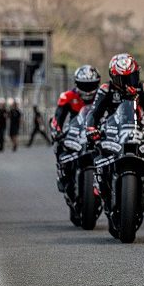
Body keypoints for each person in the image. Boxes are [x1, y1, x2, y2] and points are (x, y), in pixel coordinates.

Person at [85, 53, 144, 146]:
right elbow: (94, 112)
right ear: (113, 77)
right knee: (90, 146)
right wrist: (91, 127)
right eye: (123, 79)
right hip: (111, 132)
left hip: (140, 132)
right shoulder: (106, 89)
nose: (128, 83)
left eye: (132, 78)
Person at [50, 65, 101, 193]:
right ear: (77, 83)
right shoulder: (67, 96)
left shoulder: (103, 95)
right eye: (84, 85)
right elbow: (58, 116)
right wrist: (56, 130)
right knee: (60, 144)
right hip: (74, 129)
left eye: (91, 85)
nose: (87, 89)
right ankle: (62, 172)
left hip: (97, 130)